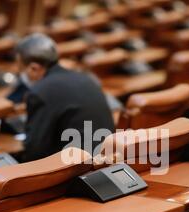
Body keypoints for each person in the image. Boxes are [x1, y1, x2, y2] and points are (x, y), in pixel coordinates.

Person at [15, 33, 115, 161]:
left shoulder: (40, 91)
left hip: (75, 169)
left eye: (20, 70)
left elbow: (35, 151)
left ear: (34, 68)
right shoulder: (85, 78)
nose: (20, 76)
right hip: (104, 161)